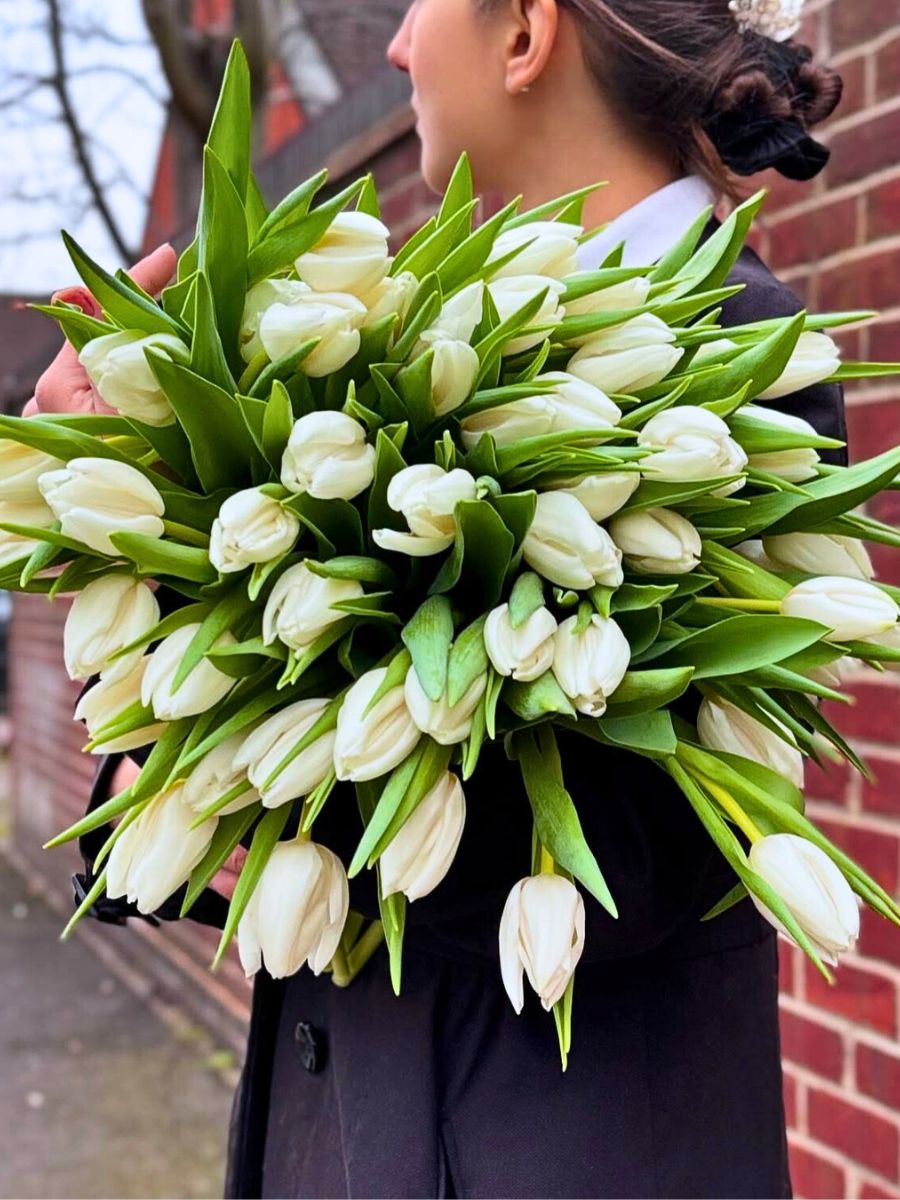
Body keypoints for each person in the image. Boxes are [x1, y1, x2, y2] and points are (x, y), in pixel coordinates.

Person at [29, 1, 849, 1195]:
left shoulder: (741, 350)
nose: (400, 47)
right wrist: (139, 504)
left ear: (524, 33)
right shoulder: (401, 340)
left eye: (419, 5)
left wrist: (236, 776)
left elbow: (630, 865)